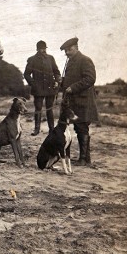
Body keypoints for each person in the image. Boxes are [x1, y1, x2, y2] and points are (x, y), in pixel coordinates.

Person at [59, 37, 98, 166]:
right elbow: (71, 80)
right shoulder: (71, 61)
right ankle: (85, 158)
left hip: (83, 101)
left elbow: (90, 79)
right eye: (65, 51)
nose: (67, 53)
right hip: (75, 101)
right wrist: (61, 83)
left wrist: (72, 88)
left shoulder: (85, 60)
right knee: (79, 127)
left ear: (75, 48)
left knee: (82, 128)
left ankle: (84, 159)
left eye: (68, 50)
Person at [24, 40, 61, 135]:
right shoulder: (32, 59)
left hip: (50, 87)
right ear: (37, 49)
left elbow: (56, 72)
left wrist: (57, 81)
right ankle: (37, 129)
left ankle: (51, 129)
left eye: (44, 48)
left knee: (49, 109)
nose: (43, 50)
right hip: (38, 89)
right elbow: (26, 74)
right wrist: (33, 84)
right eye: (41, 49)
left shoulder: (51, 58)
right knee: (38, 109)